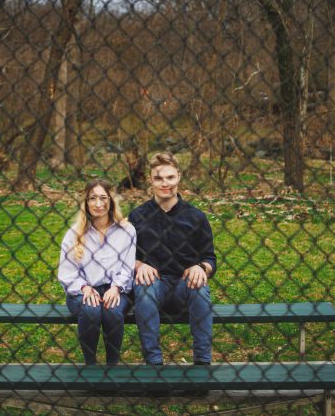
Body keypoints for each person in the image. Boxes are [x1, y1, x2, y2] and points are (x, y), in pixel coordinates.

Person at [129, 152, 216, 366]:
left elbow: (210, 258)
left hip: (184, 285)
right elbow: (123, 257)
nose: (164, 183)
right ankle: (154, 364)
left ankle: (203, 363)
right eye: (158, 178)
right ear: (151, 180)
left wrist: (201, 268)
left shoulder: (196, 217)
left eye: (169, 177)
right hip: (153, 285)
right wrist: (138, 265)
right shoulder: (137, 216)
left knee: (200, 287)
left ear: (178, 176)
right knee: (143, 286)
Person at [57, 179, 136, 365]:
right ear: (86, 202)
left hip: (116, 289)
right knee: (91, 311)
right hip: (83, 290)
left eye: (103, 198)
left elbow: (128, 267)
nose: (98, 204)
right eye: (93, 198)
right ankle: (90, 364)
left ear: (111, 201)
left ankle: (112, 364)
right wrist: (84, 288)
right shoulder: (74, 233)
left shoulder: (127, 230)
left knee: (112, 311)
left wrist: (116, 288)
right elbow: (67, 272)